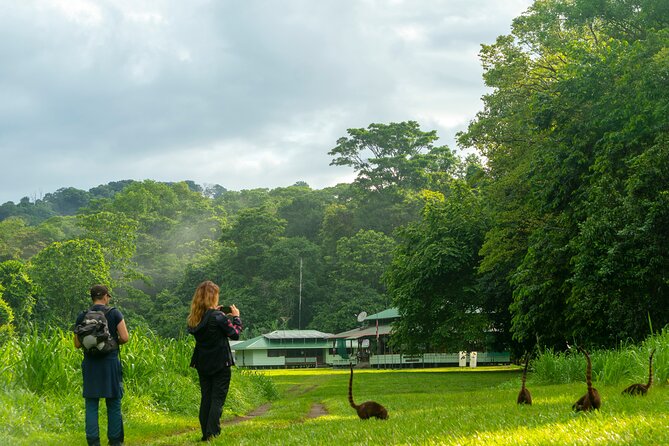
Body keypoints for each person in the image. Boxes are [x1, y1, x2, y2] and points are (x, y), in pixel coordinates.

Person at [74, 284, 129, 446]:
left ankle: (93, 442)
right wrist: (111, 343)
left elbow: (77, 344)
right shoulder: (114, 313)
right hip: (110, 363)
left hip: (90, 364)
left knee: (91, 403)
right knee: (113, 402)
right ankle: (114, 441)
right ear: (105, 296)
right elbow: (125, 338)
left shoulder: (82, 316)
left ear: (92, 298)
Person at [187, 280, 243, 442]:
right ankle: (213, 432)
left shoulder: (195, 318)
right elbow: (235, 333)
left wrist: (217, 314)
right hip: (220, 363)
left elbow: (208, 325)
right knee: (217, 398)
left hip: (202, 363)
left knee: (206, 398)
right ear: (213, 297)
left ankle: (206, 432)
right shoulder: (218, 317)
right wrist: (236, 317)